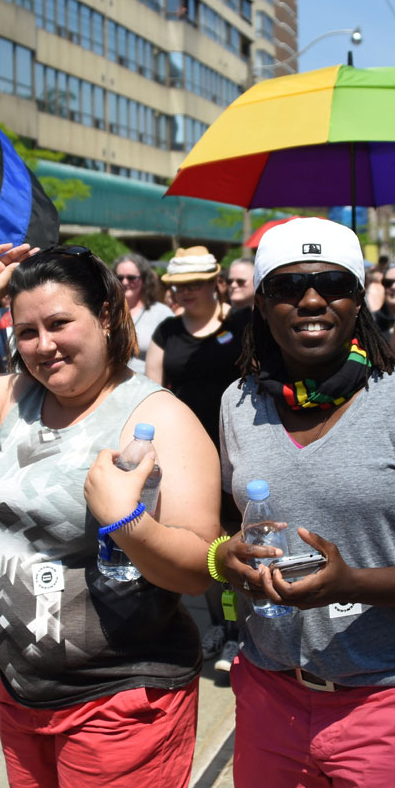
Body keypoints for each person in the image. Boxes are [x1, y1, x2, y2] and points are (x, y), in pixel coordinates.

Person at [0, 243, 222, 788]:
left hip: (118, 705)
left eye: (60, 323)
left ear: (106, 316)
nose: (44, 346)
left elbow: (197, 568)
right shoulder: (17, 397)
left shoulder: (160, 417)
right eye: (26, 332)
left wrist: (126, 522)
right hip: (19, 693)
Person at [195, 218, 395, 787]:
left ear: (357, 300)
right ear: (262, 304)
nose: (310, 300)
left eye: (332, 284)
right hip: (269, 691)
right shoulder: (238, 403)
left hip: (386, 700)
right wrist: (222, 557)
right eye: (286, 287)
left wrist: (350, 582)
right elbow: (230, 523)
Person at [147, 246, 252, 671]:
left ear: (216, 283)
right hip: (190, 454)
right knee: (207, 542)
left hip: (239, 448)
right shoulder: (167, 331)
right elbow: (152, 392)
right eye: (178, 286)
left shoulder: (242, 323)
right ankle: (223, 626)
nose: (184, 293)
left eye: (194, 284)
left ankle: (245, 630)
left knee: (240, 538)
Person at [112, 252, 172, 374]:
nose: (124, 282)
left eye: (131, 278)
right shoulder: (107, 311)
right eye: (119, 278)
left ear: (144, 279)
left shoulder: (161, 313)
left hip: (147, 387)